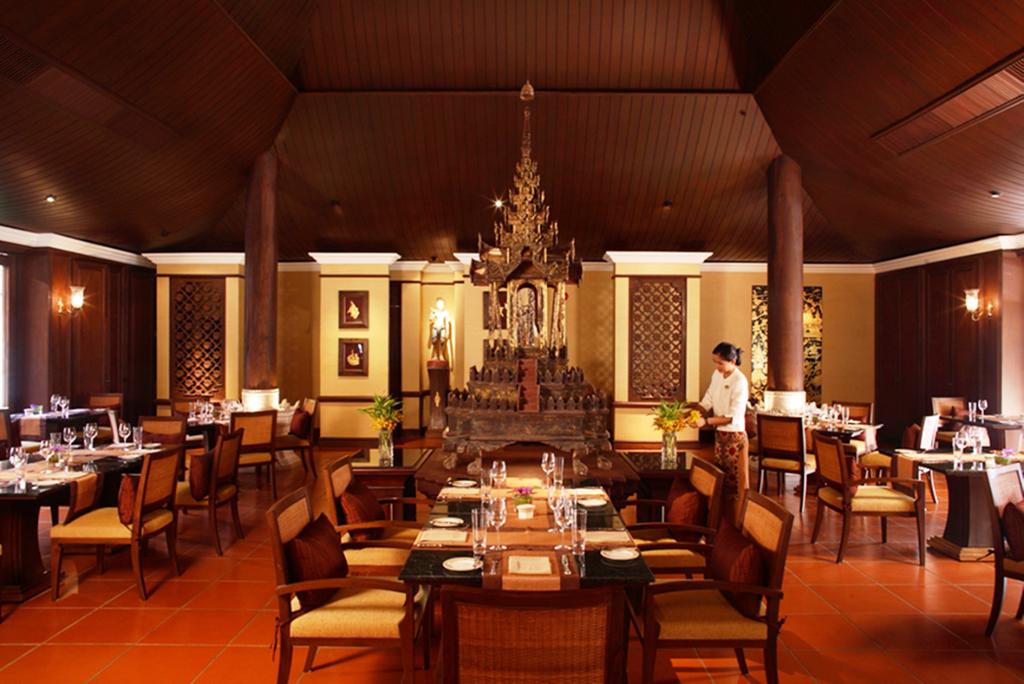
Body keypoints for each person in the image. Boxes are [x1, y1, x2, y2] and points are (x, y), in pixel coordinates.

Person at [696, 342, 750, 521]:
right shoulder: (717, 375)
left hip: (734, 436)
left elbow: (732, 416)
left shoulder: (740, 381)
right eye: (715, 362)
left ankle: (734, 520)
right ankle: (719, 519)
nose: (717, 366)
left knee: (733, 482)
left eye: (720, 363)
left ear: (732, 361)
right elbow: (709, 398)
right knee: (720, 477)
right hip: (720, 435)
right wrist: (697, 412)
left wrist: (706, 421)